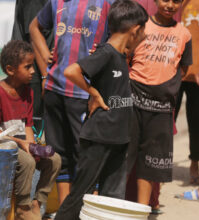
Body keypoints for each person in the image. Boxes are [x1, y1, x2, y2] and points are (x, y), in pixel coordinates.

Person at [53, 1, 148, 218]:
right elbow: (71, 71)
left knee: (112, 198)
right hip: (99, 138)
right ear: (135, 30)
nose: (145, 37)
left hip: (119, 138)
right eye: (144, 32)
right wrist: (93, 92)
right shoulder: (106, 53)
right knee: (80, 195)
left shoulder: (121, 55)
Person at [29, 0, 115, 204]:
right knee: (59, 155)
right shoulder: (57, 2)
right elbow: (34, 28)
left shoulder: (108, 4)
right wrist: (44, 68)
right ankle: (65, 210)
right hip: (54, 89)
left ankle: (88, 209)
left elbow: (124, 39)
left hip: (86, 93)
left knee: (86, 154)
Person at [0, 40, 61, 220]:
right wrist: (22, 144)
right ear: (10, 70)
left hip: (22, 145)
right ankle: (22, 207)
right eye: (28, 67)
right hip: (3, 146)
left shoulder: (28, 92)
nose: (33, 71)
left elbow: (27, 125)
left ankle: (37, 203)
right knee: (27, 161)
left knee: (54, 159)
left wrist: (32, 146)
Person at [127, 0, 192, 205]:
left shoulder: (184, 34)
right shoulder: (140, 27)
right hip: (133, 103)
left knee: (150, 163)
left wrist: (164, 87)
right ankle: (111, 206)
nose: (170, 5)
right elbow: (125, 57)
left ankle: (142, 209)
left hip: (162, 108)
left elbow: (184, 69)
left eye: (176, 1)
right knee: (122, 157)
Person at [174, 0, 199, 185]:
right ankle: (160, 164)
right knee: (166, 121)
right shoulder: (177, 3)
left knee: (196, 123)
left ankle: (194, 164)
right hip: (173, 71)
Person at [11, 0, 53, 138]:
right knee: (30, 132)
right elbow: (34, 36)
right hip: (34, 74)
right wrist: (46, 77)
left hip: (44, 72)